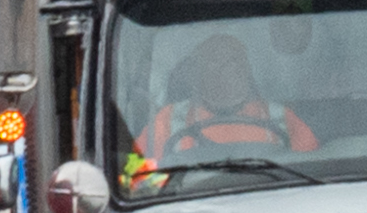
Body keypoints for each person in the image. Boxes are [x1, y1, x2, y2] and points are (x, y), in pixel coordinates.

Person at [131, 37, 320, 177]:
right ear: (197, 74)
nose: (225, 71)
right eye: (214, 63)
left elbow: (311, 174)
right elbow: (139, 182)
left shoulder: (280, 117)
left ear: (247, 70)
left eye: (233, 62)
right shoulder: (168, 120)